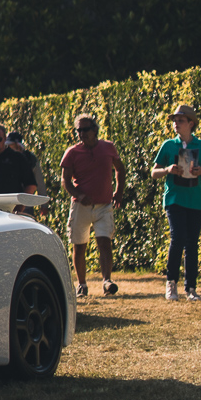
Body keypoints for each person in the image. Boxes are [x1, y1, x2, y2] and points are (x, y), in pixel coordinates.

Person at [151, 103, 201, 302]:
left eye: (180, 120)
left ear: (191, 123)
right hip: (174, 198)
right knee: (177, 237)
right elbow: (154, 172)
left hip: (195, 201)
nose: (175, 124)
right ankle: (171, 283)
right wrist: (168, 170)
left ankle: (191, 288)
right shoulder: (168, 145)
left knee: (192, 244)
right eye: (174, 120)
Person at [61, 114, 127, 299]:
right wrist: (79, 196)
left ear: (95, 130)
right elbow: (65, 181)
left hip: (104, 205)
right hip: (81, 207)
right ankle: (81, 284)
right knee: (79, 245)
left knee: (104, 242)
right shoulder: (72, 153)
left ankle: (107, 281)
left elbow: (120, 168)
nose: (82, 134)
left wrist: (119, 191)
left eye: (85, 129)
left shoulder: (108, 148)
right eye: (78, 130)